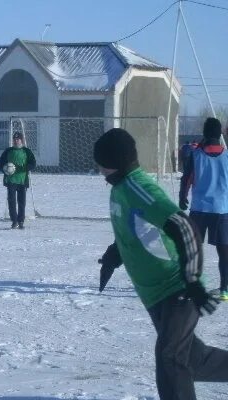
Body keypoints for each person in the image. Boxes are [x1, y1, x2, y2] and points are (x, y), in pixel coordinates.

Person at [94, 128, 228, 400]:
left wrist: (192, 281)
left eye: (101, 163)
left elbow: (185, 227)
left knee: (170, 358)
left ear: (112, 163)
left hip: (176, 288)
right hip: (156, 294)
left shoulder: (138, 188)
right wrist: (113, 254)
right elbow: (132, 228)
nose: (98, 169)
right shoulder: (121, 189)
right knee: (194, 359)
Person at [179, 118, 228, 301]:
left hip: (199, 209)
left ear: (205, 133)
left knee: (193, 248)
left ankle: (193, 286)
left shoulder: (196, 155)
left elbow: (186, 178)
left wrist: (182, 197)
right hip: (222, 209)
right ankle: (224, 290)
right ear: (220, 134)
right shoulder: (227, 156)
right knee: (224, 251)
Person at [0, 131, 36, 229]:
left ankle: (21, 221)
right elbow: (0, 164)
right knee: (11, 201)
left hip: (22, 180)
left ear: (21, 140)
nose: (16, 140)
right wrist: (5, 169)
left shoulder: (27, 151)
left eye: (18, 139)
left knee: (22, 202)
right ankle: (14, 221)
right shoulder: (8, 151)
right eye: (14, 139)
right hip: (11, 180)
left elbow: (33, 163)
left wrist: (25, 168)